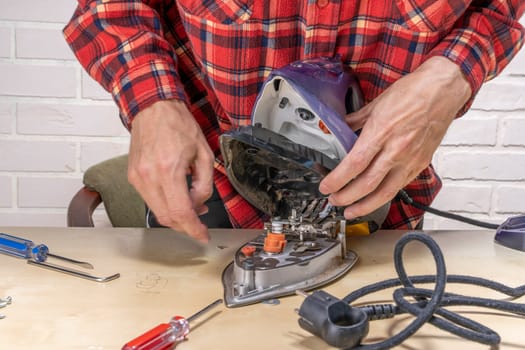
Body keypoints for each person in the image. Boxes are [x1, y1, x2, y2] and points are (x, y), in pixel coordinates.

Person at [64, 1, 524, 242]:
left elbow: (501, 10)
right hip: (215, 198)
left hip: (375, 200)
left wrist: (454, 73)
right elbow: (109, 8)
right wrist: (151, 101)